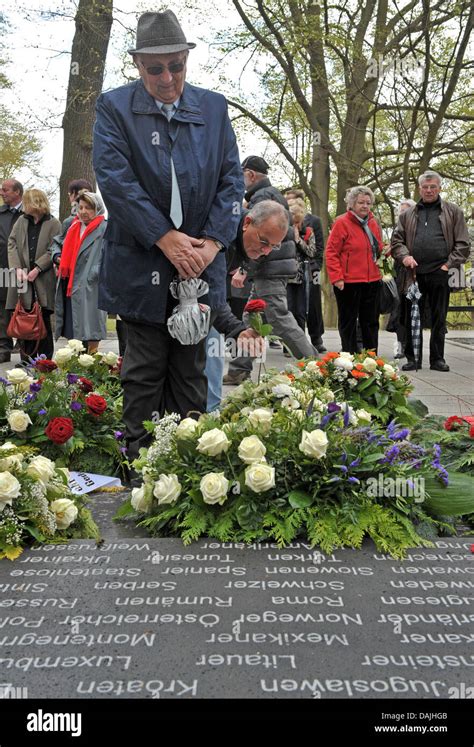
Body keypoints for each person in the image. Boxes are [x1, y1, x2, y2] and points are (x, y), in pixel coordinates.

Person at [93, 10, 243, 463]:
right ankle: (141, 470)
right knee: (142, 373)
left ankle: (189, 470)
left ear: (185, 61)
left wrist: (213, 243)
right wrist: (164, 237)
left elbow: (231, 181)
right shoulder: (114, 108)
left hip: (197, 267)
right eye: (155, 68)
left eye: (176, 65)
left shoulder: (213, 107)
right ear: (138, 65)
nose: (167, 77)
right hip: (141, 267)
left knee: (192, 375)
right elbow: (115, 180)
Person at [223, 159, 316, 384]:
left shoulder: (262, 198)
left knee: (278, 317)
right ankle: (239, 368)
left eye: (243, 174)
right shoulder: (273, 194)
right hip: (275, 267)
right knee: (253, 316)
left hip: (269, 269)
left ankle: (315, 365)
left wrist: (244, 269)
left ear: (251, 175)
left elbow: (257, 241)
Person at [208, 201, 290, 400]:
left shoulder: (245, 242)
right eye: (264, 242)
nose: (267, 251)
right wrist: (235, 329)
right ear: (247, 222)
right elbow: (211, 292)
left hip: (206, 304)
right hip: (180, 303)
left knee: (212, 353)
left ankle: (209, 410)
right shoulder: (221, 236)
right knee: (208, 353)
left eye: (274, 246)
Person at [391, 171, 471, 372]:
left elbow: (463, 244)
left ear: (439, 188)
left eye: (433, 186)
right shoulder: (407, 214)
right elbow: (396, 241)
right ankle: (412, 358)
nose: (429, 190)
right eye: (425, 187)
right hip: (413, 273)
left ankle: (437, 359)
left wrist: (448, 265)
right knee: (411, 317)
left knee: (439, 317)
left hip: (440, 271)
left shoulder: (453, 212)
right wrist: (405, 256)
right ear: (420, 189)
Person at [326, 185, 383, 353]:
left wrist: (384, 250)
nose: (365, 206)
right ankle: (349, 356)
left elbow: (377, 246)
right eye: (361, 202)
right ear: (351, 204)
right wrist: (337, 278)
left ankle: (372, 358)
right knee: (348, 321)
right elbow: (331, 252)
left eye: (368, 202)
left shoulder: (372, 222)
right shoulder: (341, 222)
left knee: (371, 321)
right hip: (349, 282)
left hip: (372, 280)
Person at [6, 189, 60, 361]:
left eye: (27, 202)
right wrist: (17, 268)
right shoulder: (22, 221)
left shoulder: (54, 223)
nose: (25, 206)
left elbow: (55, 247)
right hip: (22, 279)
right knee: (23, 316)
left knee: (42, 317)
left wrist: (38, 268)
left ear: (36, 203)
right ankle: (26, 360)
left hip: (43, 279)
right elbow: (12, 242)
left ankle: (44, 361)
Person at [55, 191, 108, 354]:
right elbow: (57, 243)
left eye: (88, 208)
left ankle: (91, 364)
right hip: (70, 281)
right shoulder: (73, 226)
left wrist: (95, 272)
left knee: (91, 327)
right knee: (74, 327)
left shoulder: (104, 227)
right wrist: (57, 256)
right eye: (81, 207)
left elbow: (110, 254)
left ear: (97, 208)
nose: (83, 211)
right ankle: (76, 365)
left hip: (91, 283)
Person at [284, 189, 326, 352]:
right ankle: (293, 341)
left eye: (292, 201)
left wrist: (316, 267)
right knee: (293, 306)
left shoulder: (314, 221)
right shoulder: (286, 220)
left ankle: (316, 337)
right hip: (292, 271)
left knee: (313, 304)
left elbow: (318, 247)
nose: (289, 204)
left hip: (311, 268)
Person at [386, 198, 416, 359]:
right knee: (399, 311)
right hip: (400, 275)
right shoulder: (396, 231)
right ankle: (400, 345)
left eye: (406, 211)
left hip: (415, 273)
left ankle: (411, 345)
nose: (402, 215)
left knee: (413, 311)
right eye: (400, 212)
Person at [0, 179, 23, 362]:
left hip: (23, 269)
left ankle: (24, 345)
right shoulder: (1, 213)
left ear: (17, 192)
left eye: (5, 190)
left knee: (24, 305)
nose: (2, 192)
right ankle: (3, 348)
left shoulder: (28, 213)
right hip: (2, 269)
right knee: (2, 307)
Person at [286, 201, 316, 335]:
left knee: (301, 311)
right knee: (288, 310)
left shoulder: (308, 232)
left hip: (301, 276)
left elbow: (311, 252)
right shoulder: (283, 230)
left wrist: (299, 241)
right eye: (293, 223)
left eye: (298, 223)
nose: (295, 226)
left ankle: (301, 340)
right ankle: (288, 345)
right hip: (285, 276)